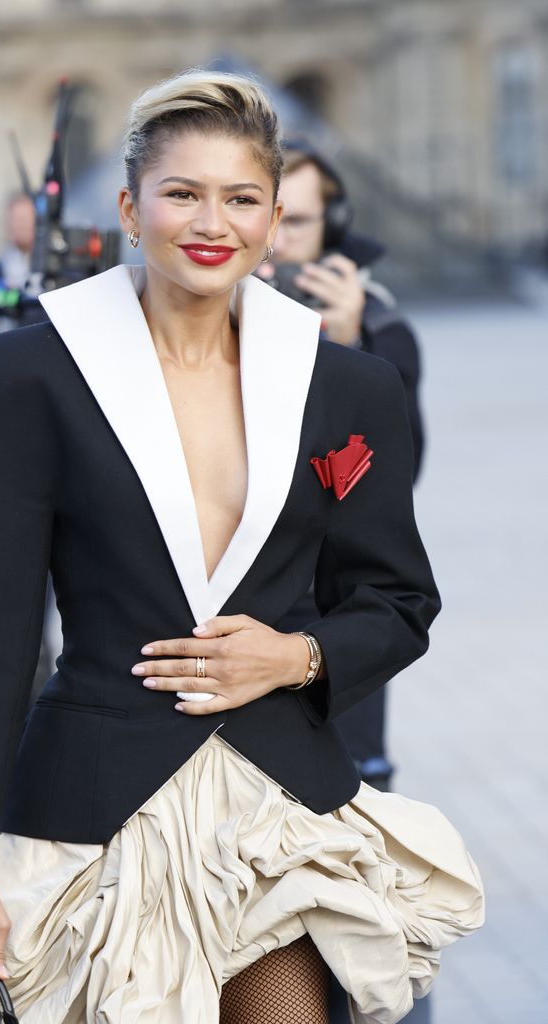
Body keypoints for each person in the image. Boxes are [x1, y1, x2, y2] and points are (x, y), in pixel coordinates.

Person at [0, 70, 483, 1024]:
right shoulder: (16, 379)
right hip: (95, 806)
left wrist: (297, 654)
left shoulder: (348, 384)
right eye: (182, 193)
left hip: (279, 810)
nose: (211, 221)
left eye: (241, 198)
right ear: (131, 210)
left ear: (271, 222)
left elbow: (398, 601)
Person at [267, 143, 426, 793]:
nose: (272, 240)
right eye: (261, 212)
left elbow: (395, 473)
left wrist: (349, 348)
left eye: (295, 222)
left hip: (329, 620)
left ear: (332, 230)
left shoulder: (379, 327)